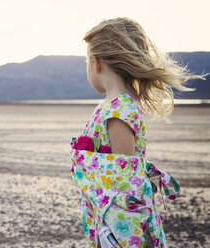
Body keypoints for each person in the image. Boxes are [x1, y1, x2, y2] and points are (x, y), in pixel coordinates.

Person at [70, 17, 208, 248]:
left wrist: (112, 234)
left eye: (86, 61)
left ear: (96, 63)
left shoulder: (119, 108)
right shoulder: (113, 105)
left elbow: (125, 176)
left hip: (119, 226)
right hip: (106, 213)